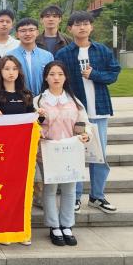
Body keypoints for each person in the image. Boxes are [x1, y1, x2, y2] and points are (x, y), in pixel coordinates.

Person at [55, 11, 121, 214]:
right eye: (77, 24)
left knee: (99, 156)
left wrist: (94, 74)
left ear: (91, 27)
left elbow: (114, 73)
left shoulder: (102, 50)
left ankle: (97, 196)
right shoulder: (64, 54)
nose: (82, 27)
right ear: (70, 29)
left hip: (99, 111)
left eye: (85, 24)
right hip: (75, 113)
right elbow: (58, 81)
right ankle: (74, 196)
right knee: (76, 154)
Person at [34, 61, 90, 246]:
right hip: (48, 152)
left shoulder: (73, 101)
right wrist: (40, 120)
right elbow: (35, 125)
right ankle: (54, 226)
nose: (56, 78)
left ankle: (67, 225)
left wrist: (85, 135)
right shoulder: (39, 101)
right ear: (46, 77)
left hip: (70, 152)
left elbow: (83, 124)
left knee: (69, 189)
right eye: (52, 74)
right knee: (50, 189)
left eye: (60, 74)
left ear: (66, 77)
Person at [0, 55, 35, 246]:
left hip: (21, 152)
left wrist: (40, 116)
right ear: (0, 71)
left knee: (21, 192)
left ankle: (22, 230)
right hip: (0, 152)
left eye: (14, 69)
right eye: (7, 69)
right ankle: (4, 230)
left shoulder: (26, 94)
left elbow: (33, 121)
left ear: (19, 71)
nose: (11, 72)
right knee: (3, 192)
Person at [7, 18, 54, 96]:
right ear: (17, 34)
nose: (27, 34)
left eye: (31, 30)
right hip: (18, 99)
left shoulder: (47, 56)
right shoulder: (9, 56)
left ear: (37, 32)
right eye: (23, 31)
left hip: (44, 99)